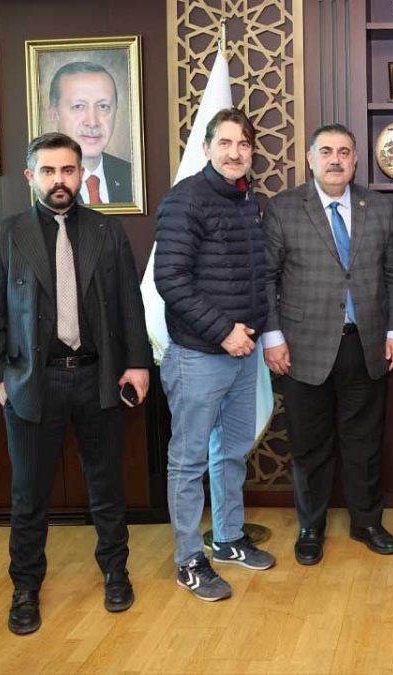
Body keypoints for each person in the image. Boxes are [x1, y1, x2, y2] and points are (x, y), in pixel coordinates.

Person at [0, 132, 151, 635]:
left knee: (106, 485)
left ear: (80, 174)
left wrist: (137, 364)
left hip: (98, 378)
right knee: (29, 495)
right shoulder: (4, 234)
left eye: (68, 171)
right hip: (33, 383)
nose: (59, 180)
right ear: (31, 177)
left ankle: (115, 573)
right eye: (49, 171)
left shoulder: (107, 231)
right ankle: (25, 587)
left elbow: (129, 303)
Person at [261, 123, 393, 565]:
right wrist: (272, 337)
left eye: (344, 151)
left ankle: (367, 523)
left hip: (367, 345)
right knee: (310, 447)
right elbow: (265, 279)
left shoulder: (377, 206)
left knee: (365, 443)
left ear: (356, 160)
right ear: (310, 159)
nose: (335, 159)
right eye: (326, 151)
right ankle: (311, 528)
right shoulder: (284, 209)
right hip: (302, 349)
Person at [154, 108, 275, 603]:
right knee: (188, 463)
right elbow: (171, 280)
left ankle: (227, 538)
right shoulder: (184, 200)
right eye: (224, 143)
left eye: (243, 144)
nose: (234, 152)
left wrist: (247, 336)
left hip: (245, 354)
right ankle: (188, 560)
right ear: (206, 148)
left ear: (252, 151)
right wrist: (224, 332)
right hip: (199, 354)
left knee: (231, 453)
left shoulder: (249, 201)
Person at [48, 61, 131, 204]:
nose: (92, 122)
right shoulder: (40, 181)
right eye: (78, 106)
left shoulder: (133, 175)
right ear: (54, 114)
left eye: (103, 106)